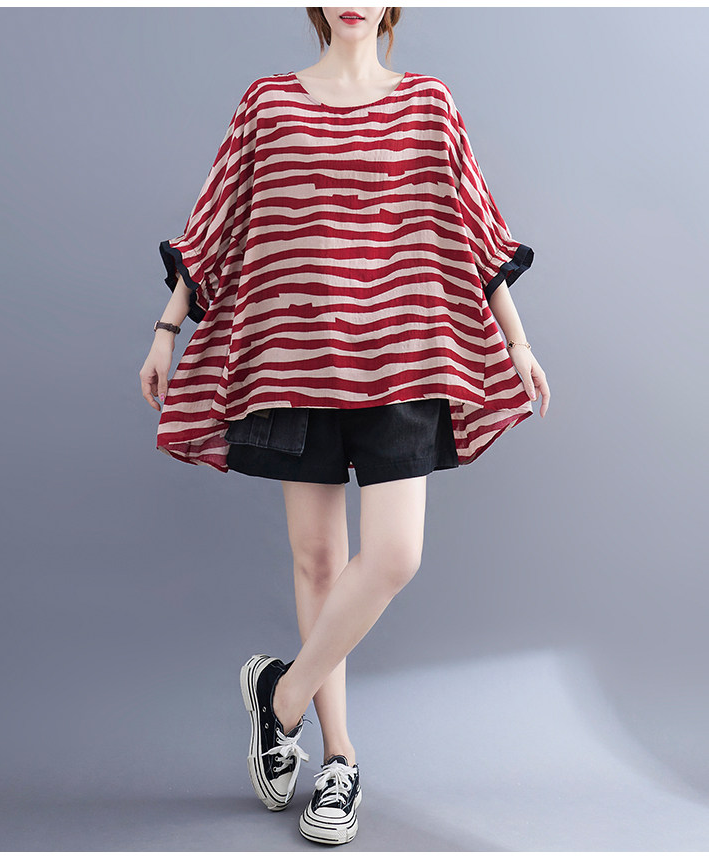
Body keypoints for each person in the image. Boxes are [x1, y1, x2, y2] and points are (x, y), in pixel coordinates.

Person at [139, 6, 550, 847]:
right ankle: (339, 759)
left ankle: (279, 698)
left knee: (394, 555)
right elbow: (218, 216)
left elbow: (472, 221)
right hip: (296, 356)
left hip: (404, 356)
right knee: (319, 561)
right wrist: (166, 328)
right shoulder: (268, 103)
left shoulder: (428, 102)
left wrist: (517, 340)